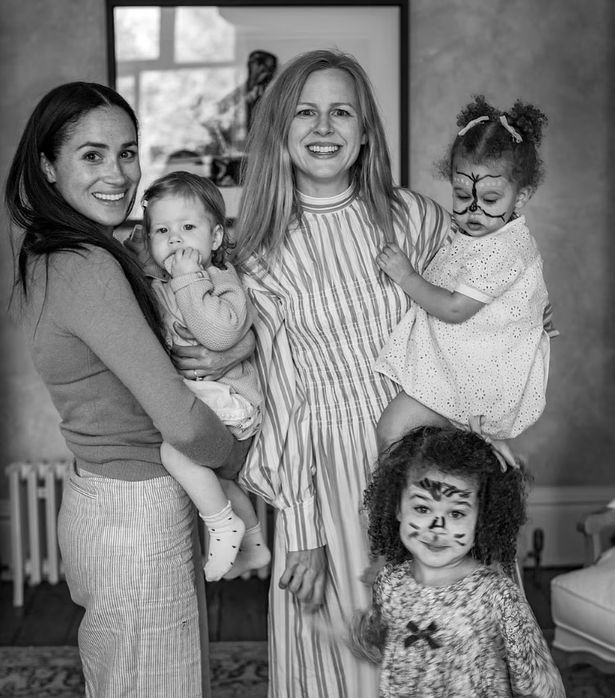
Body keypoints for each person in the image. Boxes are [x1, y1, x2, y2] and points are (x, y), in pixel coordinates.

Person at [4, 82, 249, 697]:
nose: (118, 174)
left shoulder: (59, 253)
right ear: (47, 167)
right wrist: (250, 465)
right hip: (134, 514)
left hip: (112, 500)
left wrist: (236, 346)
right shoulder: (86, 264)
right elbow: (183, 421)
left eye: (128, 151)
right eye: (91, 155)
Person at [226, 49, 450, 698]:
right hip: (328, 471)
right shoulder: (261, 252)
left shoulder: (413, 219)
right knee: (347, 661)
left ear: (364, 132)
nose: (323, 126)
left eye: (340, 111)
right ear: (281, 130)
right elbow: (283, 399)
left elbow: (471, 323)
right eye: (305, 111)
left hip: (422, 452)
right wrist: (302, 533)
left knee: (434, 652)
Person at [375, 96, 551, 451]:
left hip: (473, 379)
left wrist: (407, 276)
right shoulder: (477, 235)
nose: (473, 211)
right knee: (410, 443)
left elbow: (456, 309)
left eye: (489, 200)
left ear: (521, 198)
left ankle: (393, 501)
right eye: (460, 194)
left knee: (393, 433)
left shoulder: (503, 247)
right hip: (458, 370)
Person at [350, 425, 566, 698]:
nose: (437, 527)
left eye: (456, 513)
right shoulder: (389, 584)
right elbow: (389, 644)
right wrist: (364, 636)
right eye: (422, 508)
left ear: (482, 518)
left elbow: (540, 683)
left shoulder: (497, 597)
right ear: (397, 507)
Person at [140, 170, 270, 581]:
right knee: (214, 479)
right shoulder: (164, 282)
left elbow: (219, 333)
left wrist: (187, 277)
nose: (175, 239)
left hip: (232, 399)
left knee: (174, 452)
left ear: (214, 239)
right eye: (162, 230)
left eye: (188, 228)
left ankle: (221, 526)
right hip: (209, 397)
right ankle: (252, 545)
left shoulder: (218, 279)